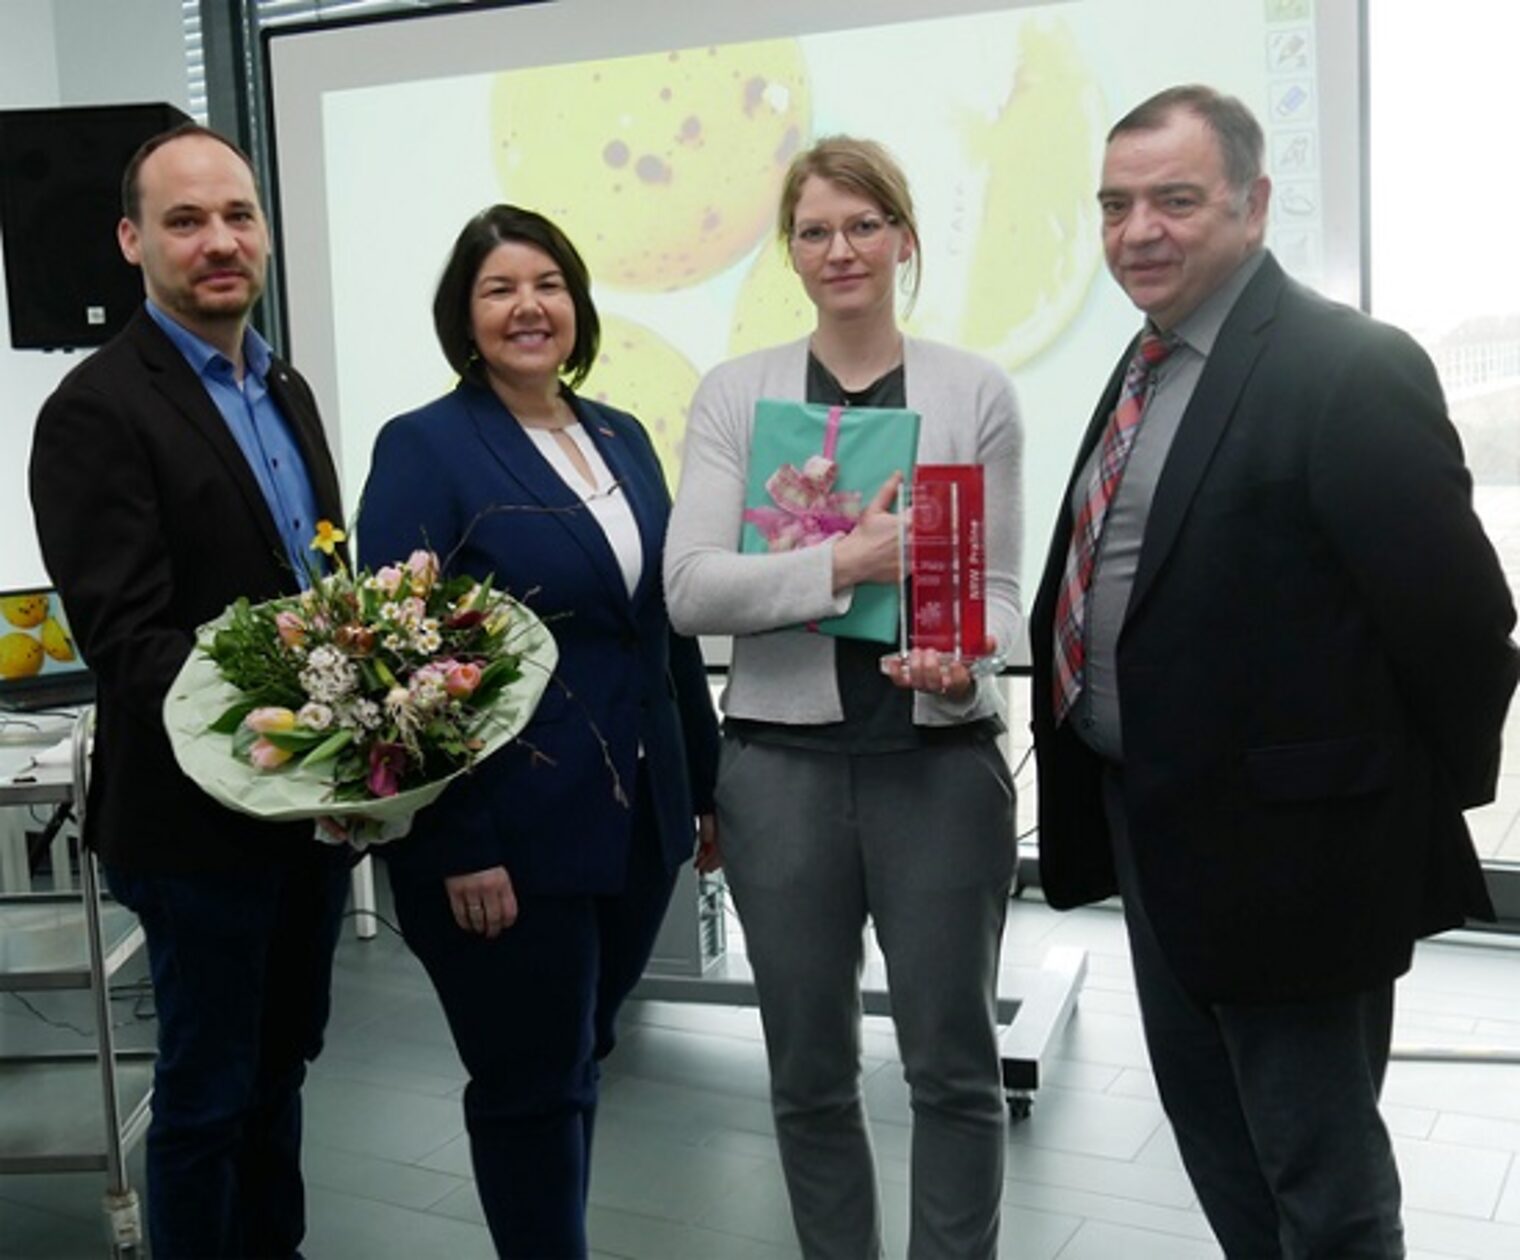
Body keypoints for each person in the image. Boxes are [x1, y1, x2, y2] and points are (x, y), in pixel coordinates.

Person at [1029, 84, 1520, 1258]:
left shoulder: (1344, 364)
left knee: (1320, 1182)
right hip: (1155, 830)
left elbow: (1462, 623)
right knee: (1219, 1148)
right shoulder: (1147, 362)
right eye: (1114, 205)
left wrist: (1386, 814)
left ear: (1251, 205)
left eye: (1173, 199)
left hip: (1296, 863)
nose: (1137, 230)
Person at [664, 136, 1022, 1260]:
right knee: (809, 1075)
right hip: (781, 771)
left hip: (940, 768)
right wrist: (844, 565)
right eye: (814, 230)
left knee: (954, 1071)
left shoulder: (974, 390)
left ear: (904, 239)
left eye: (864, 225)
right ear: (790, 251)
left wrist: (967, 658)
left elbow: (1000, 595)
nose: (841, 250)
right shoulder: (737, 394)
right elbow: (689, 588)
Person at [358, 204, 720, 1259]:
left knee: (576, 1059)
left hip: (635, 820)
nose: (529, 307)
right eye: (500, 289)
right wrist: (459, 840)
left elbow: (663, 625)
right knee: (528, 1084)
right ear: (464, 319)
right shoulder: (426, 447)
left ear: (577, 304)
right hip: (507, 835)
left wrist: (702, 788)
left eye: (548, 284)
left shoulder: (620, 435)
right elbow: (400, 658)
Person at [28, 123, 353, 1259]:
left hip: (310, 812)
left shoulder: (286, 386)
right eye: (184, 220)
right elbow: (130, 642)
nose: (219, 241)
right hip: (196, 824)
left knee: (280, 1069)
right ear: (132, 241)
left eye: (237, 216)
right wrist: (294, 720)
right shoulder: (96, 408)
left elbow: (317, 581)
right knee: (209, 1094)